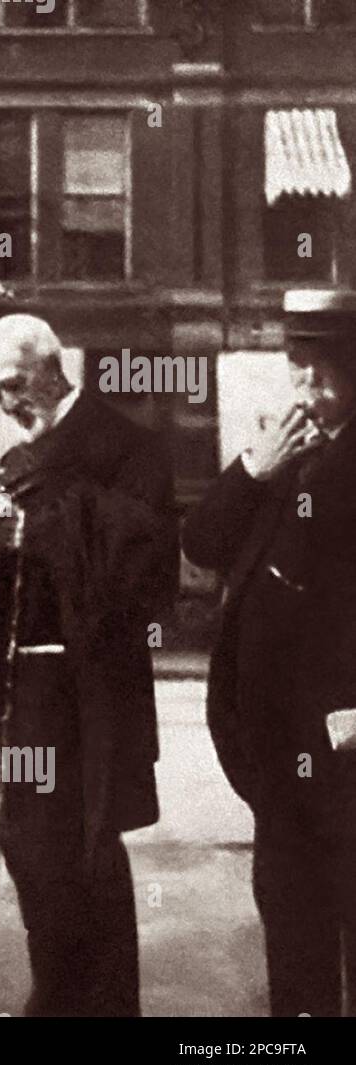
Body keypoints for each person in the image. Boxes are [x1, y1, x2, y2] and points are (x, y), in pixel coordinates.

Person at [0, 314, 178, 1017]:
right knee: (24, 844)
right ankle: (59, 990)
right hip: (11, 691)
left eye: (13, 385)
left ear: (51, 367)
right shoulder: (20, 454)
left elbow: (143, 574)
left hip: (82, 698)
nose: (8, 404)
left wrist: (41, 508)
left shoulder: (130, 447)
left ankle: (86, 1003)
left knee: (87, 856)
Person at [183, 289, 356, 1017]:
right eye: (296, 370)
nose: (306, 393)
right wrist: (252, 468)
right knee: (295, 950)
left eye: (323, 374)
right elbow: (202, 545)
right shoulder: (286, 458)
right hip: (281, 766)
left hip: (344, 760)